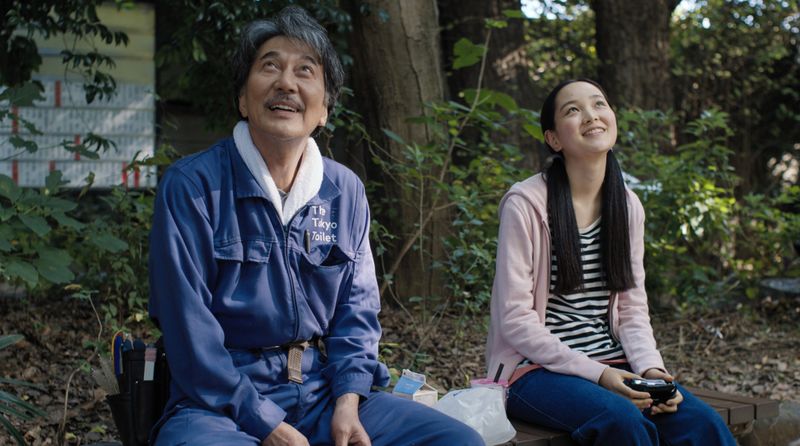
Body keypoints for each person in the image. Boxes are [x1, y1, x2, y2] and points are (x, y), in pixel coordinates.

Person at [148, 7, 483, 446]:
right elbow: (188, 333)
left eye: (306, 70)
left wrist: (348, 400)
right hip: (217, 405)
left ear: (324, 108)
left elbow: (357, 313)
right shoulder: (192, 186)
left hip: (323, 392)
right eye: (270, 65)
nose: (286, 82)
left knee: (458, 442)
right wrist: (265, 423)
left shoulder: (344, 190)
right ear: (243, 100)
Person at [485, 78, 736, 445]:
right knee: (622, 422)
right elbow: (515, 320)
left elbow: (632, 309)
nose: (591, 115)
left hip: (614, 365)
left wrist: (652, 369)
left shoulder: (627, 206)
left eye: (599, 104)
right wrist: (599, 375)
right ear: (554, 139)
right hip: (531, 372)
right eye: (573, 110)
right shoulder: (525, 204)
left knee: (702, 425)